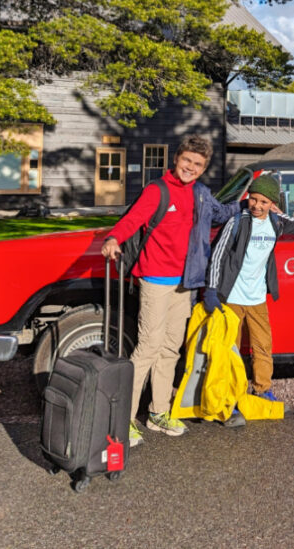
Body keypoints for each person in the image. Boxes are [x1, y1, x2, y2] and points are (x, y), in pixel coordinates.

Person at [101, 135, 239, 447]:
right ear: (176, 160)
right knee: (148, 347)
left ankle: (158, 412)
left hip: (185, 283)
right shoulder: (157, 190)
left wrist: (246, 205)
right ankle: (124, 418)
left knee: (170, 349)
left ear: (203, 169)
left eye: (198, 164)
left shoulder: (201, 193)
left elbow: (220, 214)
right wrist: (113, 238)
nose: (191, 167)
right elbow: (132, 220)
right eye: (187, 160)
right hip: (155, 280)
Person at [203, 174, 294, 402]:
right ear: (248, 198)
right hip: (231, 296)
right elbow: (218, 256)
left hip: (257, 297)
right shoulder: (236, 222)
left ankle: (262, 390)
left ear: (272, 204)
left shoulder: (275, 223)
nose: (257, 206)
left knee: (263, 346)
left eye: (263, 202)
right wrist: (211, 290)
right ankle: (228, 394)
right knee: (229, 349)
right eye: (253, 199)